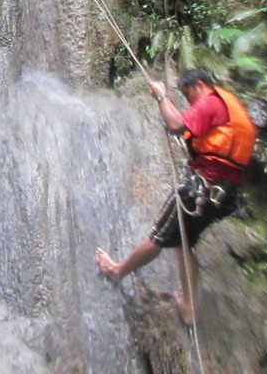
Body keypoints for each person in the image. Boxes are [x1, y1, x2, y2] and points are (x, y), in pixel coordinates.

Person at [95, 69, 257, 326]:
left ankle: (118, 271)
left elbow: (176, 124)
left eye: (188, 93)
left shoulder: (212, 101)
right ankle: (190, 306)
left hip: (200, 190)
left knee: (158, 236)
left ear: (200, 84)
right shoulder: (232, 107)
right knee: (184, 241)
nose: (190, 101)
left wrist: (162, 97)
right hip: (225, 197)